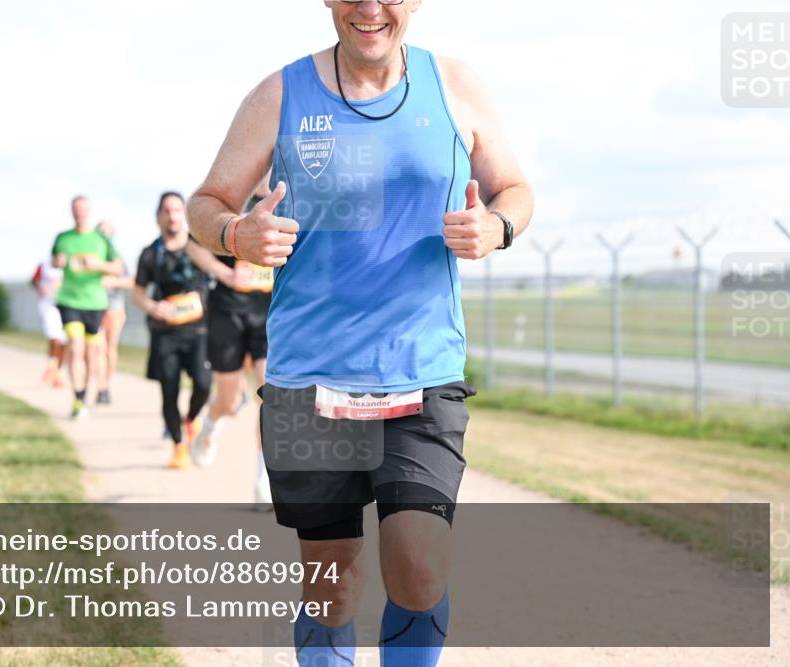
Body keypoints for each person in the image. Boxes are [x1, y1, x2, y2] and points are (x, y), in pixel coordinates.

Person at [187, 2, 534, 665]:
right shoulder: (280, 93)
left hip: (420, 367)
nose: (370, 8)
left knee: (420, 563)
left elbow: (515, 187)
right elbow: (208, 201)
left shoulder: (455, 86)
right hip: (309, 378)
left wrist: (496, 227)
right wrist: (237, 233)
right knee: (332, 585)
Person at [186, 177, 274, 507]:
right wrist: (225, 274)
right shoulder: (231, 194)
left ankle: (263, 479)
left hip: (269, 310)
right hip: (228, 309)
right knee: (228, 398)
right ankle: (210, 424)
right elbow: (193, 245)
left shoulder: (291, 193)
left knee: (271, 397)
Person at [133, 192, 212, 470]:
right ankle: (179, 446)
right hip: (165, 333)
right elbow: (138, 294)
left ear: (185, 214)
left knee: (203, 383)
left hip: (200, 330)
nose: (173, 215)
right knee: (169, 390)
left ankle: (191, 420)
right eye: (167, 210)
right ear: (159, 216)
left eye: (178, 210)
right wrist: (153, 307)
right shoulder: (150, 253)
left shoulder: (200, 247)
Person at [52, 195, 124, 419]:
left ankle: (93, 389)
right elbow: (53, 260)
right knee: (75, 347)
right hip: (69, 300)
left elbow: (118, 268)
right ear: (71, 211)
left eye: (83, 209)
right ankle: (78, 398)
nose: (79, 212)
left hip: (95, 302)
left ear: (89, 211)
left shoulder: (100, 239)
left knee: (92, 354)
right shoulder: (62, 238)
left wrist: (98, 264)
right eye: (75, 208)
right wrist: (58, 262)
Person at [95, 220, 135, 404]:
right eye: (100, 231)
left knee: (110, 348)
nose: (103, 235)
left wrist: (113, 282)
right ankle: (100, 387)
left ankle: (107, 385)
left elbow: (131, 281)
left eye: (106, 232)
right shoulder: (93, 258)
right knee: (98, 348)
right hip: (95, 307)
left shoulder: (118, 259)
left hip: (115, 308)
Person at [31, 256, 67, 387]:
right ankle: (52, 367)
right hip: (48, 305)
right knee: (55, 339)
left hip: (65, 305)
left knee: (64, 341)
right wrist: (40, 287)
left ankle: (57, 372)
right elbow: (33, 281)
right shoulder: (44, 266)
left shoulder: (69, 266)